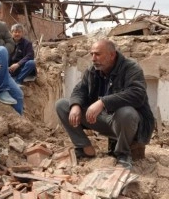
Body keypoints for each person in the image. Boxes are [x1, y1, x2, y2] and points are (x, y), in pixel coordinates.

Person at [55, 39, 155, 170]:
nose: (93, 58)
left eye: (97, 54)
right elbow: (80, 90)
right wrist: (75, 105)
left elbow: (137, 94)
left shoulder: (131, 68)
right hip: (103, 119)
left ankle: (123, 155)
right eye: (91, 54)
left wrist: (103, 102)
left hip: (128, 124)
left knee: (126, 113)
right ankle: (84, 147)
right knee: (62, 105)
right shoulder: (93, 70)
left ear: (112, 55)